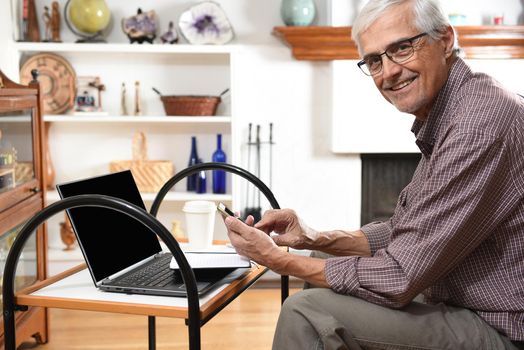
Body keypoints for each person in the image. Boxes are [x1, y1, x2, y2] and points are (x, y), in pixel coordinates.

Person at [224, 0, 524, 349]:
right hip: (461, 299)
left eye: (401, 48)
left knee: (306, 312)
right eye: (375, 61)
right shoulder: (456, 107)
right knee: (325, 259)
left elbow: (400, 275)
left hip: (500, 327)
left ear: (444, 40)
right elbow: (406, 229)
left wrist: (280, 261)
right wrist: (314, 238)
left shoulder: (477, 125)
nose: (389, 72)